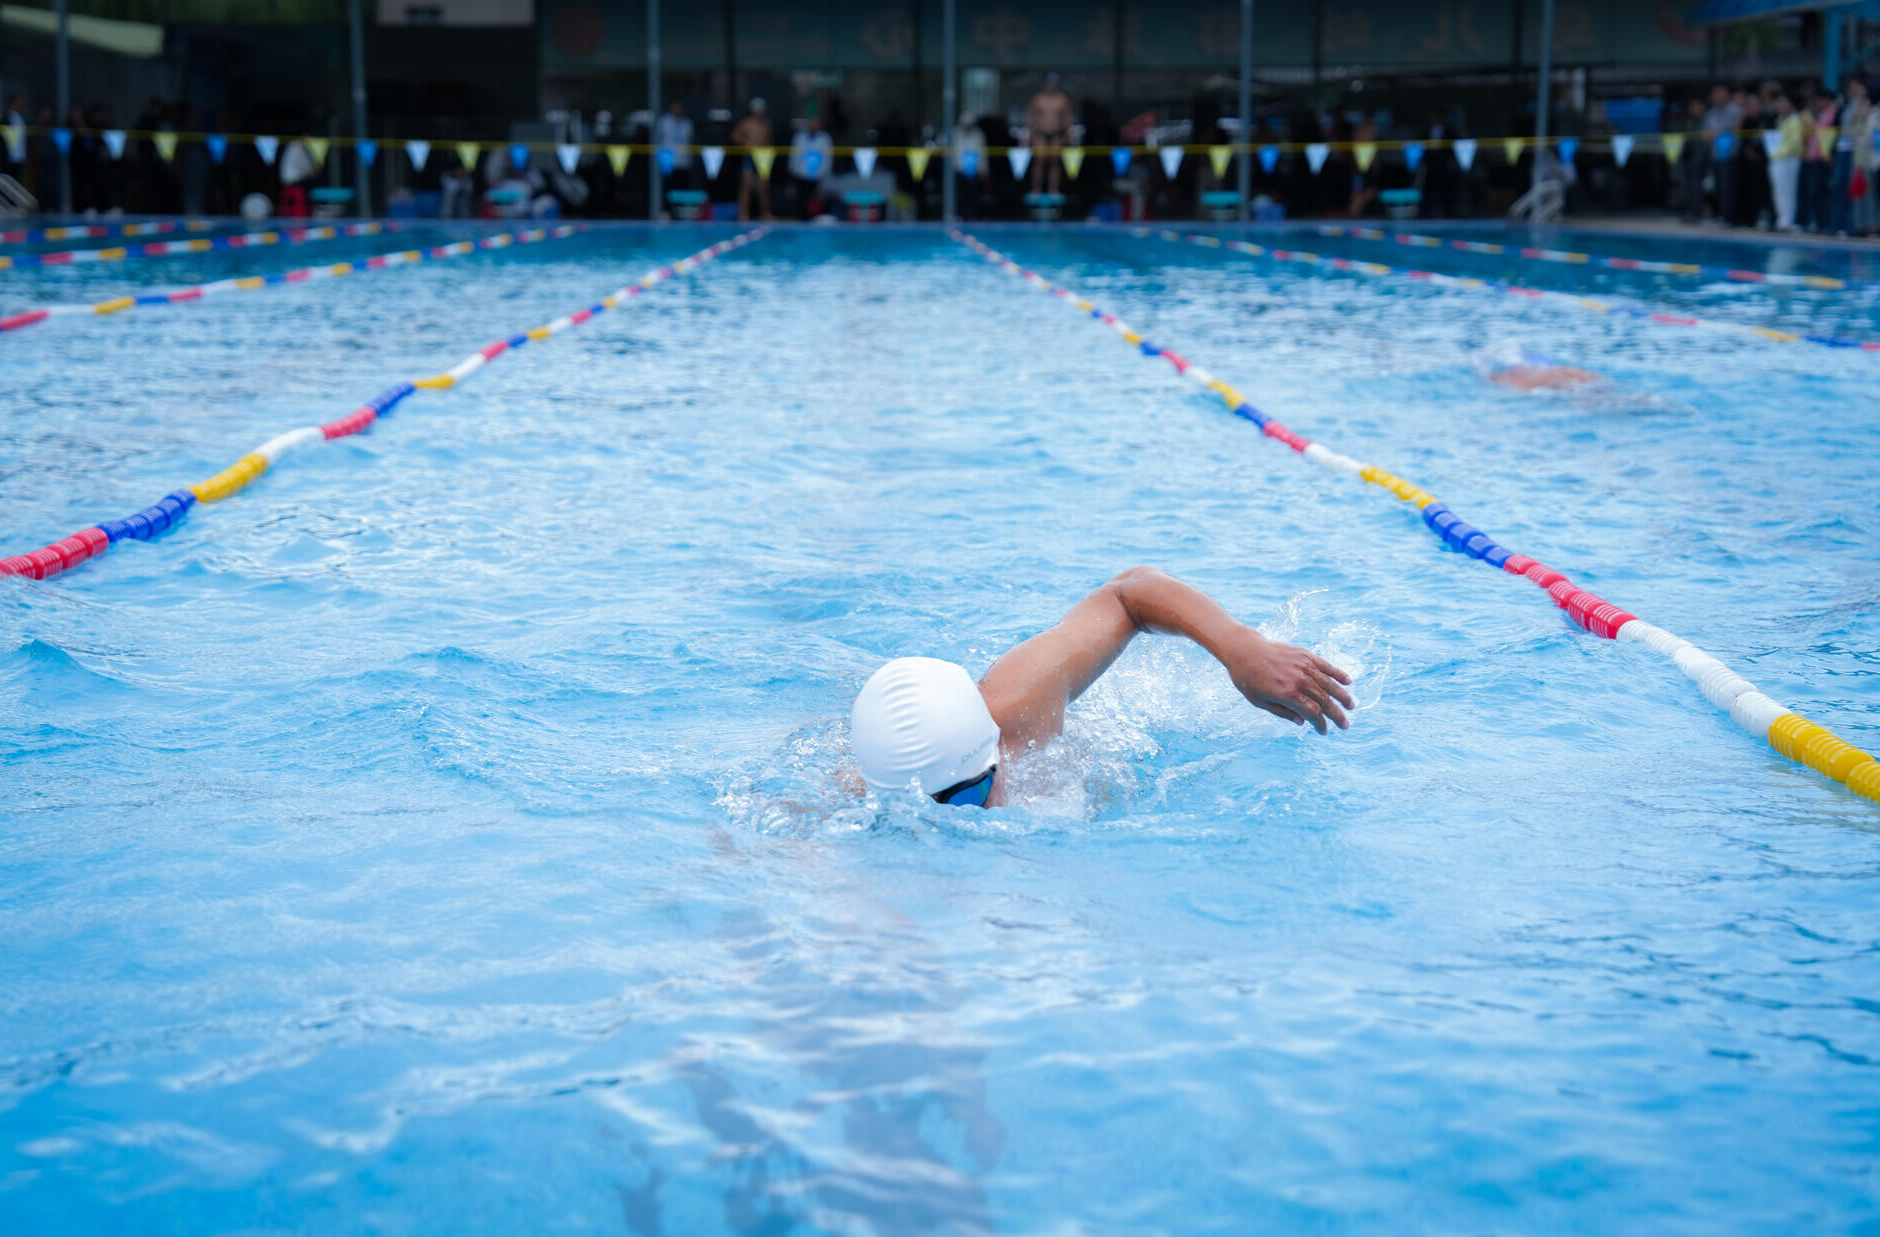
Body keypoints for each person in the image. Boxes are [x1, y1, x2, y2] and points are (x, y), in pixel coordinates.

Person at [848, 567, 1354, 808]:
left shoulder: (1017, 707)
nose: (984, 810)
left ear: (991, 740)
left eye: (977, 790)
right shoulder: (853, 807)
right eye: (949, 808)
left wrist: (1241, 647)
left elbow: (1128, 594)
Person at [1027, 72, 1073, 197]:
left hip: (1056, 134)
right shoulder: (1038, 99)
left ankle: (1053, 190)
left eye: (1053, 84)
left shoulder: (1062, 100)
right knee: (1039, 161)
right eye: (1049, 84)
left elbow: (1067, 119)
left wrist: (1067, 135)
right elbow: (1032, 118)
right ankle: (1036, 190)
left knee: (1055, 162)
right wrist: (1031, 135)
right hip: (1040, 134)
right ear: (1045, 84)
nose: (1051, 86)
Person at [1829, 80, 1865, 236]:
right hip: (1842, 149)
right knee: (1839, 188)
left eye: (1855, 86)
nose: (1852, 90)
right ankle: (1836, 226)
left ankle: (1849, 226)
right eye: (1850, 87)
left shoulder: (1865, 105)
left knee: (1852, 189)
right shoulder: (1845, 105)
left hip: (1855, 150)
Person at [730, 97, 774, 222]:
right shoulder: (746, 123)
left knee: (764, 186)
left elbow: (770, 140)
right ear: (753, 110)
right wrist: (746, 143)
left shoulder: (767, 124)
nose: (759, 112)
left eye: (761, 110)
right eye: (757, 110)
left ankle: (765, 213)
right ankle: (744, 213)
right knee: (746, 186)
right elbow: (734, 136)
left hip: (763, 156)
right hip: (749, 156)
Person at [1703, 84, 1741, 223]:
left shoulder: (1734, 111)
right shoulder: (1710, 114)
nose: (1718, 98)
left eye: (1721, 95)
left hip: (1730, 155)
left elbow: (1736, 130)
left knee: (1729, 187)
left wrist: (1721, 132)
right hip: (1716, 155)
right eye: (1716, 96)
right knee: (1718, 187)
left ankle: (1730, 216)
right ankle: (1722, 214)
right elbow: (1707, 136)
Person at [1768, 92, 1804, 231]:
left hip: (1788, 159)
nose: (1780, 105)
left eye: (1783, 102)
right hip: (1778, 159)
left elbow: (1794, 143)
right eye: (1779, 102)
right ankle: (1782, 220)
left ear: (1791, 104)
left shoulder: (1794, 120)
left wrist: (1778, 153)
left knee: (1788, 191)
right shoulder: (1781, 119)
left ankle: (1787, 221)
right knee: (1778, 191)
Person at [788, 111, 832, 219]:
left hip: (817, 174)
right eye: (812, 123)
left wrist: (825, 172)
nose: (814, 125)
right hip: (801, 173)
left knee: (814, 200)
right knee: (801, 198)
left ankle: (812, 217)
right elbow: (794, 154)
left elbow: (827, 157)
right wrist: (792, 168)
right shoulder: (799, 136)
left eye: (816, 123)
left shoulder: (825, 138)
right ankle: (800, 217)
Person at [654, 98, 695, 200]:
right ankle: (666, 211)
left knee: (682, 188)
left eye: (680, 107)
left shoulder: (687, 123)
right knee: (667, 187)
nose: (678, 109)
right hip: (667, 161)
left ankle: (680, 211)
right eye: (675, 107)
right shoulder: (663, 122)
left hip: (684, 161)